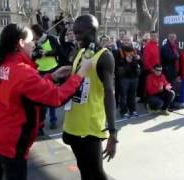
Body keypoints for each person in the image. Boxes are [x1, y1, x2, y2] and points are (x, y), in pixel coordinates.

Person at [0, 23, 91, 180]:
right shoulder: (23, 71)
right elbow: (56, 97)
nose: (35, 44)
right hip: (10, 145)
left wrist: (51, 77)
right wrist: (80, 74)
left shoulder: (6, 64)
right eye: (32, 40)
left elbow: (23, 91)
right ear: (21, 43)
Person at [62, 14, 118, 180]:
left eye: (79, 33)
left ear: (92, 31)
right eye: (74, 32)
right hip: (72, 125)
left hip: (90, 128)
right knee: (84, 170)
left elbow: (109, 93)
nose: (76, 36)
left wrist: (113, 133)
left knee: (97, 173)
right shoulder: (81, 52)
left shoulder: (104, 56)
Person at [31, 24, 65, 130]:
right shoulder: (33, 43)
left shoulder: (50, 38)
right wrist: (35, 54)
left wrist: (47, 53)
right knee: (41, 98)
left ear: (37, 33)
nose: (32, 36)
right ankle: (40, 122)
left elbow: (59, 51)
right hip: (39, 71)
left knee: (51, 95)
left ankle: (53, 119)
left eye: (33, 34)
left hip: (52, 70)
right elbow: (31, 57)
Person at [114, 35, 140, 117]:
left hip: (134, 76)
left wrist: (139, 59)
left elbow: (140, 63)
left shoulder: (135, 50)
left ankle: (133, 110)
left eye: (128, 40)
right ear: (122, 41)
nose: (127, 41)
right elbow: (115, 64)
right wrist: (125, 60)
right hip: (124, 77)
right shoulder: (118, 51)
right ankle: (123, 111)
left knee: (132, 95)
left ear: (131, 41)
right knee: (123, 96)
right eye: (125, 40)